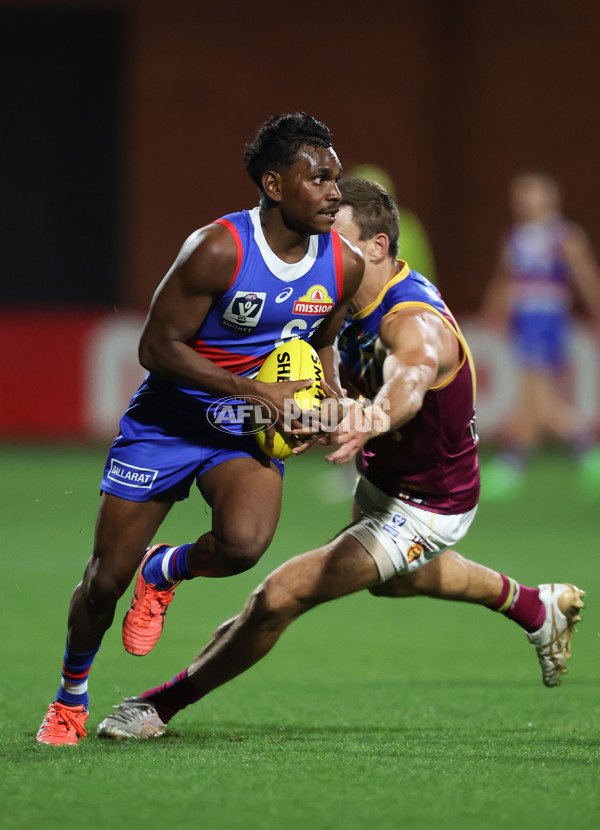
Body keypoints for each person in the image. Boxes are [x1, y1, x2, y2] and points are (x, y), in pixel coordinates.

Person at [95, 179, 585, 741]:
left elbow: (412, 378)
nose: (321, 250)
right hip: (384, 477)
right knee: (393, 580)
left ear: (376, 248)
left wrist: (373, 418)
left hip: (428, 504)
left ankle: (158, 707)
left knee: (280, 596)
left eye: (336, 239)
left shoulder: (412, 322)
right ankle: (537, 608)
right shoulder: (338, 297)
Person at [35, 112, 365, 745]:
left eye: (337, 179)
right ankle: (71, 694)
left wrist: (327, 401)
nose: (333, 193)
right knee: (105, 580)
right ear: (273, 184)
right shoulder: (219, 249)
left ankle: (167, 571)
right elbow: (156, 348)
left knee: (244, 545)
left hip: (241, 431)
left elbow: (322, 342)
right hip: (167, 424)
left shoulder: (342, 265)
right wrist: (258, 390)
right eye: (318, 178)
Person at [480, 172, 600, 500]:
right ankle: (521, 462)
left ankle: (517, 463)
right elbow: (505, 279)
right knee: (535, 397)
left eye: (532, 193)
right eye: (521, 194)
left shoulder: (564, 235)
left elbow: (585, 275)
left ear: (550, 198)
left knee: (535, 394)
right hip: (524, 321)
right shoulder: (515, 237)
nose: (524, 200)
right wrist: (495, 311)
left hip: (548, 321)